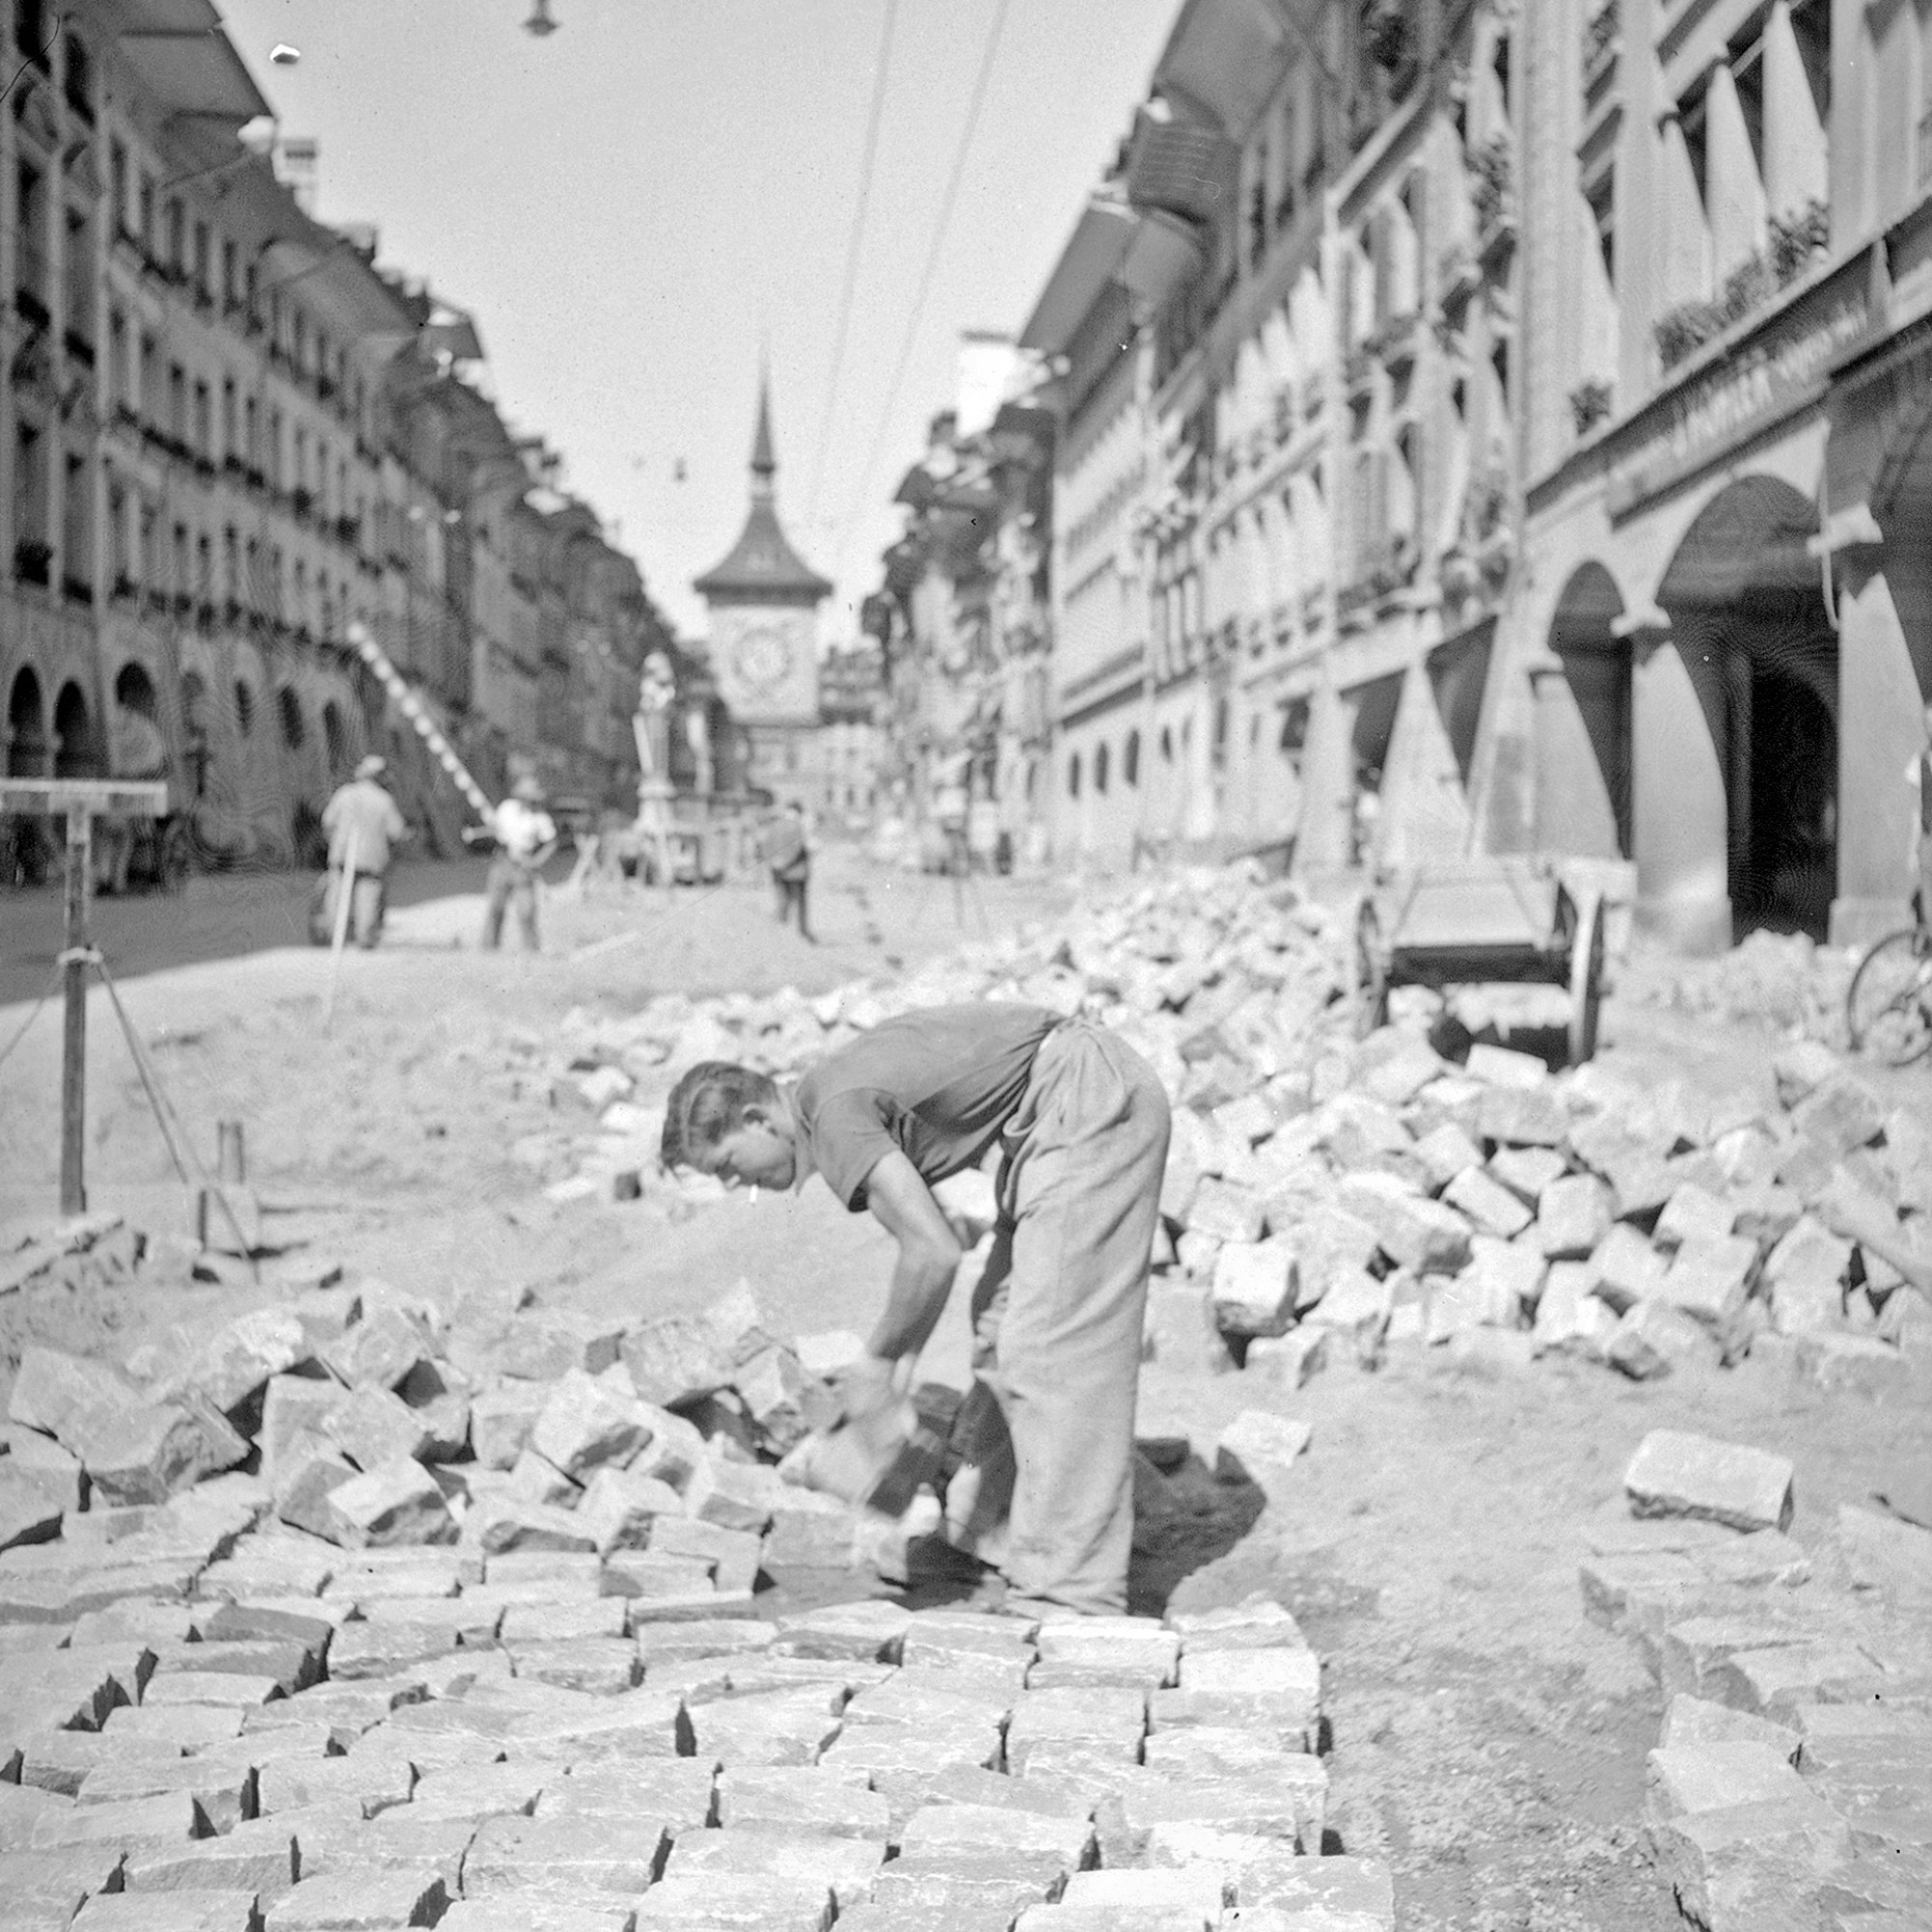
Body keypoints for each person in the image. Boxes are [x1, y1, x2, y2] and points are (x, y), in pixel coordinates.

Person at [660, 1003, 1171, 1618]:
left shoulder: (833, 1115)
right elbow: (930, 1243)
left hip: (1087, 1102)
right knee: (999, 1326)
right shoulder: (829, 1103)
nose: (735, 1186)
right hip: (1050, 1117)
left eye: (726, 1166)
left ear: (757, 1119)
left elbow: (932, 1250)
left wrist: (879, 1362)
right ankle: (984, 1533)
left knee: (1051, 1351)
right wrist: (894, 1369)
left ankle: (1072, 1594)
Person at [319, 754, 409, 948]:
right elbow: (397, 832)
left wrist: (334, 841)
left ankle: (334, 936)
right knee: (368, 899)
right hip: (372, 859)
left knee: (337, 897)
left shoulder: (344, 794)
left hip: (342, 855)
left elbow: (327, 821)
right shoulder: (384, 800)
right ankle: (365, 938)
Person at [97, 699, 172, 895]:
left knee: (112, 837)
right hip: (128, 792)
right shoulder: (143, 728)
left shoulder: (119, 723)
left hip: (114, 789)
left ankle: (107, 878)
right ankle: (116, 881)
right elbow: (157, 763)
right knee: (123, 838)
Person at [481, 772, 557, 951]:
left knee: (526, 910)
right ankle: (489, 947)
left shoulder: (540, 818)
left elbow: (551, 843)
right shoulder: (507, 808)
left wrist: (536, 861)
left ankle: (531, 949)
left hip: (523, 865)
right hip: (503, 861)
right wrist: (496, 834)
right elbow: (495, 829)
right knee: (496, 907)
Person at [763, 800, 812, 941]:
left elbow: (766, 846)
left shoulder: (775, 825)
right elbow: (798, 849)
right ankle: (802, 932)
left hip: (777, 869)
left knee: (782, 900)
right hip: (797, 871)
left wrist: (774, 863)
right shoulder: (798, 826)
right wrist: (785, 863)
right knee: (800, 903)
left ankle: (780, 934)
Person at [1908, 698, 1932, 928]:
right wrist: (1913, 849)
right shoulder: (1921, 762)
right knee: (1929, 901)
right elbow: (1917, 809)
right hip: (1928, 839)